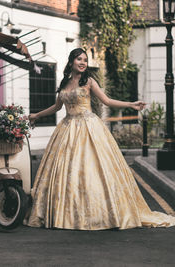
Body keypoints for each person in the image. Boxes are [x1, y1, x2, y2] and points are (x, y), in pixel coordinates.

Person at [25, 48, 175, 230]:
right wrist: (37, 115)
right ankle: (65, 213)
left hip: (89, 128)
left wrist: (131, 104)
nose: (82, 63)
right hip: (66, 129)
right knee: (67, 172)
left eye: (85, 60)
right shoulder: (64, 82)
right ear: (71, 61)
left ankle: (98, 214)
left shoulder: (88, 81)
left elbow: (107, 100)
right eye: (79, 59)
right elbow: (57, 107)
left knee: (92, 169)